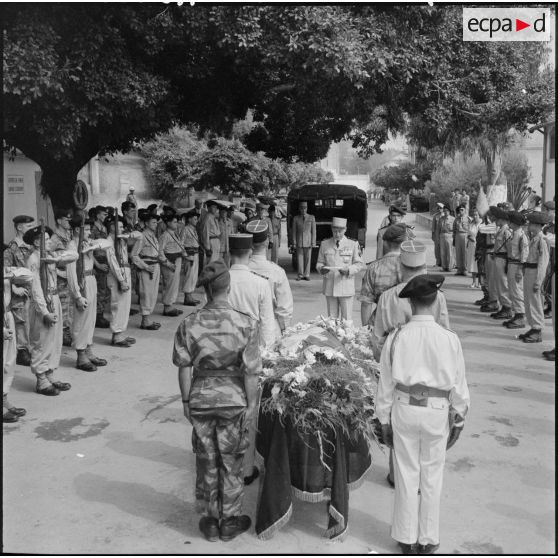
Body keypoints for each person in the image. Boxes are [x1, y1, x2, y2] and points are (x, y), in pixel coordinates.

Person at [376, 274, 470, 555]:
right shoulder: (450, 338)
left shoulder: (396, 337)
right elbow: (459, 384)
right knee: (432, 474)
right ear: (436, 300)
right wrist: (459, 416)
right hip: (436, 411)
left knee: (406, 472)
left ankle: (406, 538)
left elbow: (385, 383)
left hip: (404, 407)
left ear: (410, 303)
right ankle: (428, 539)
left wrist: (383, 419)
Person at [173, 260, 261, 542]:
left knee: (206, 459)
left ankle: (210, 521)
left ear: (206, 290)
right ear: (228, 287)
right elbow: (251, 372)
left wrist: (186, 402)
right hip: (234, 400)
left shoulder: (189, 323)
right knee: (231, 461)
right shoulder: (246, 323)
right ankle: (230, 522)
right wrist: (251, 405)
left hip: (200, 399)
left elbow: (184, 367)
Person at [24, 225, 77, 396]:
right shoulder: (33, 259)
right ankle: (41, 380)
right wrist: (44, 312)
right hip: (42, 303)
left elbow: (74, 255)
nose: (49, 242)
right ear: (36, 242)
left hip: (54, 299)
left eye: (48, 239)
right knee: (42, 342)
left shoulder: (50, 255)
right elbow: (35, 289)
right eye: (45, 240)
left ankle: (50, 374)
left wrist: (55, 259)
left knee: (55, 340)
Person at [66, 217, 109, 371]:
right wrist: (77, 295)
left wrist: (93, 245)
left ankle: (88, 350)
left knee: (90, 319)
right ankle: (81, 355)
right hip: (81, 282)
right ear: (78, 229)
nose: (90, 232)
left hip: (91, 279)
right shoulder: (72, 246)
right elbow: (71, 274)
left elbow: (107, 243)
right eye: (88, 229)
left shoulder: (86, 243)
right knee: (81, 320)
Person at [246, 220, 293, 340]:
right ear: (267, 242)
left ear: (250, 244)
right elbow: (284, 309)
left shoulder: (239, 271)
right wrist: (285, 330)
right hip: (270, 330)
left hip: (244, 330)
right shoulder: (277, 272)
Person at [316, 217, 364, 322]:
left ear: (345, 229)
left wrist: (349, 270)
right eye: (335, 231)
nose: (337, 234)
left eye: (340, 231)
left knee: (347, 320)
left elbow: (359, 264)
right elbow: (319, 262)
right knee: (332, 320)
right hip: (330, 286)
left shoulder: (353, 244)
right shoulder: (325, 244)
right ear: (331, 229)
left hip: (345, 286)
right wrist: (321, 269)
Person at [359, 223, 406, 328]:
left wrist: (365, 331)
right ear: (404, 243)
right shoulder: (413, 266)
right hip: (406, 325)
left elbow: (366, 304)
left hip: (380, 325)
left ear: (385, 243)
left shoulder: (374, 268)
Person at [4, 263, 33, 422]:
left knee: (8, 362)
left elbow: (28, 275)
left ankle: (3, 399)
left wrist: (10, 274)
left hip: (7, 314)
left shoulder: (7, 271)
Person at [4, 215, 35, 366]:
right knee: (21, 321)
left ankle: (29, 348)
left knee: (30, 320)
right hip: (19, 291)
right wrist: (14, 288)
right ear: (19, 227)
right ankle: (22, 352)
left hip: (31, 289)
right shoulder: (12, 248)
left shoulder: (31, 246)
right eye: (28, 227)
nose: (31, 229)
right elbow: (6, 271)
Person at [518, 212, 550, 343]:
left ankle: (537, 329)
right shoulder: (534, 238)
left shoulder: (542, 240)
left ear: (537, 225)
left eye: (531, 223)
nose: (529, 225)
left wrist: (539, 281)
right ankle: (533, 327)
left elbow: (543, 263)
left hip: (535, 273)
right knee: (528, 301)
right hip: (529, 272)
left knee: (535, 303)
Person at [105, 215, 136, 347]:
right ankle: (116, 335)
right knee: (117, 305)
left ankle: (120, 332)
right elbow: (113, 263)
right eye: (120, 226)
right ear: (112, 227)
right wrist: (121, 280)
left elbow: (138, 237)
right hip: (117, 276)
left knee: (125, 305)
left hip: (124, 272)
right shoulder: (109, 241)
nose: (123, 229)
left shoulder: (120, 239)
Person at [131, 212, 162, 330]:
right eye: (153, 222)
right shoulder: (142, 236)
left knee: (153, 294)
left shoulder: (153, 236)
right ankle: (145, 320)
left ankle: (148, 318)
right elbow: (134, 255)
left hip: (155, 266)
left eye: (156, 222)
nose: (156, 224)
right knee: (146, 294)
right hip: (147, 268)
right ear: (146, 223)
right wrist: (145, 267)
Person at [50, 208, 75, 346]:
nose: (69, 222)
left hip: (70, 275)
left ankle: (68, 329)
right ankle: (64, 332)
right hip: (61, 277)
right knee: (63, 304)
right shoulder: (54, 239)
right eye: (66, 220)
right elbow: (49, 259)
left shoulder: (68, 235)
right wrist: (59, 273)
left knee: (70, 304)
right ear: (59, 221)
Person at [502, 212, 529, 330]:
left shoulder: (522, 236)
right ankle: (516, 314)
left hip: (517, 265)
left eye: (511, 221)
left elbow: (524, 253)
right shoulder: (514, 234)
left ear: (516, 223)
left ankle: (520, 316)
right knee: (512, 290)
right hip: (511, 263)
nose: (509, 223)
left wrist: (520, 270)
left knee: (517, 291)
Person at [158, 214, 185, 317]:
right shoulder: (165, 235)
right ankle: (167, 307)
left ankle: (171, 305)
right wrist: (168, 264)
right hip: (170, 262)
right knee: (169, 284)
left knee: (174, 284)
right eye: (174, 222)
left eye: (177, 222)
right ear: (168, 223)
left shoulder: (174, 234)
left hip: (176, 260)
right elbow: (160, 252)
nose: (176, 224)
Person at [489, 208, 513, 320]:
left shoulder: (506, 231)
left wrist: (508, 263)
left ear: (502, 219)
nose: (495, 221)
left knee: (503, 284)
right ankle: (503, 306)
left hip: (503, 259)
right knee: (498, 283)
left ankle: (507, 308)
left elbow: (509, 249)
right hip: (498, 258)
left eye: (497, 219)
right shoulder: (501, 230)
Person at [90, 206, 112, 329]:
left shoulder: (104, 228)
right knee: (99, 290)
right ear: (97, 215)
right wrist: (97, 264)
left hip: (104, 259)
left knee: (104, 289)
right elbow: (89, 249)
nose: (105, 217)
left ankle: (101, 313)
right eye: (103, 214)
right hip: (96, 261)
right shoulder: (92, 229)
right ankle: (98, 316)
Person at [291, 201, 316, 281]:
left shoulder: (311, 217)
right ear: (299, 209)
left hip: (308, 241)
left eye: (305, 208)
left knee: (308, 259)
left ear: (307, 208)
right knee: (300, 259)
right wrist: (294, 242)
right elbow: (294, 231)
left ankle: (307, 274)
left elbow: (313, 231)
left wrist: (313, 242)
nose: (303, 210)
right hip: (299, 241)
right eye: (302, 208)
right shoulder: (296, 218)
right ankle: (300, 275)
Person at [181, 210, 201, 307]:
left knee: (193, 276)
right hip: (189, 254)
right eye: (195, 219)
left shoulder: (193, 229)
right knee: (189, 275)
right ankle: (187, 297)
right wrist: (186, 255)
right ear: (189, 219)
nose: (196, 221)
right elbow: (180, 244)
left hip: (195, 253)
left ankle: (190, 295)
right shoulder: (185, 229)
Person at [201, 200, 222, 265]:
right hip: (211, 241)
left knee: (216, 261)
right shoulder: (207, 218)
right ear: (208, 208)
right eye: (213, 207)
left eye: (216, 207)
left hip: (216, 240)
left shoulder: (214, 217)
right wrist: (207, 247)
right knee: (211, 261)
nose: (215, 209)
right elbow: (205, 232)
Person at [466, 210, 481, 288]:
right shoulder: (471, 224)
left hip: (479, 246)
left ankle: (480, 282)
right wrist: (470, 238)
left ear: (479, 215)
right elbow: (468, 235)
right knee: (472, 264)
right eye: (474, 215)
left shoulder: (482, 224)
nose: (475, 216)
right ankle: (473, 281)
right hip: (471, 245)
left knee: (479, 264)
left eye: (476, 215)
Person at [452, 205, 469, 275]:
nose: (461, 211)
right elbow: (454, 229)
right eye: (460, 210)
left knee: (465, 252)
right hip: (458, 235)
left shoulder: (468, 219)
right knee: (458, 252)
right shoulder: (456, 219)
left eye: (462, 210)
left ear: (465, 210)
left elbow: (470, 229)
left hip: (465, 235)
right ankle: (459, 269)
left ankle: (465, 269)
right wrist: (454, 238)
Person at [438, 206, 455, 272]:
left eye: (447, 210)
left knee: (450, 252)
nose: (445, 212)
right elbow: (438, 229)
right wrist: (438, 237)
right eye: (444, 211)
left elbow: (455, 229)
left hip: (449, 236)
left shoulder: (453, 219)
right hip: (442, 235)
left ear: (449, 211)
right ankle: (444, 267)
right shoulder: (441, 219)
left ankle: (450, 267)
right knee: (443, 252)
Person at [431, 203, 444, 268]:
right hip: (437, 234)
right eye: (438, 208)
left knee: (443, 248)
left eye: (441, 208)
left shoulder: (445, 215)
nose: (439, 209)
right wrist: (433, 235)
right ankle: (438, 262)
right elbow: (433, 226)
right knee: (437, 249)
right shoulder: (435, 216)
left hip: (443, 234)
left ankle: (443, 262)